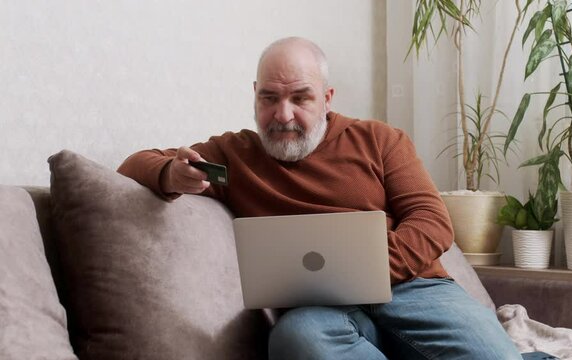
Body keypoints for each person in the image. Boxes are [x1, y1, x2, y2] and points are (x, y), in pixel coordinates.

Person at [118, 36, 521, 359]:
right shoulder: (234, 154)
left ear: (327, 99)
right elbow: (134, 164)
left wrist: (367, 269)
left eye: (300, 98)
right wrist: (170, 173)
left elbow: (432, 222)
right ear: (255, 95)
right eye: (269, 98)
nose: (283, 115)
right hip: (318, 311)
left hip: (414, 289)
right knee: (296, 341)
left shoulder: (380, 140)